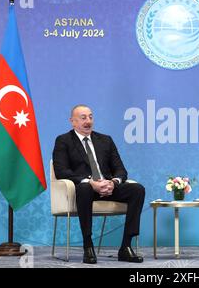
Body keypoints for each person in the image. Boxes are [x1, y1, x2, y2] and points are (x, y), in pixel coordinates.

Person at [53, 105, 145, 264]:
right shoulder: (64, 141)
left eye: (90, 117)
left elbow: (121, 170)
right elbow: (61, 171)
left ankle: (125, 247)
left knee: (137, 189)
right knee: (84, 187)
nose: (88, 121)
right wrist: (90, 181)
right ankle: (88, 246)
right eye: (83, 118)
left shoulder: (105, 140)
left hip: (108, 187)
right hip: (85, 189)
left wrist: (113, 182)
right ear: (72, 122)